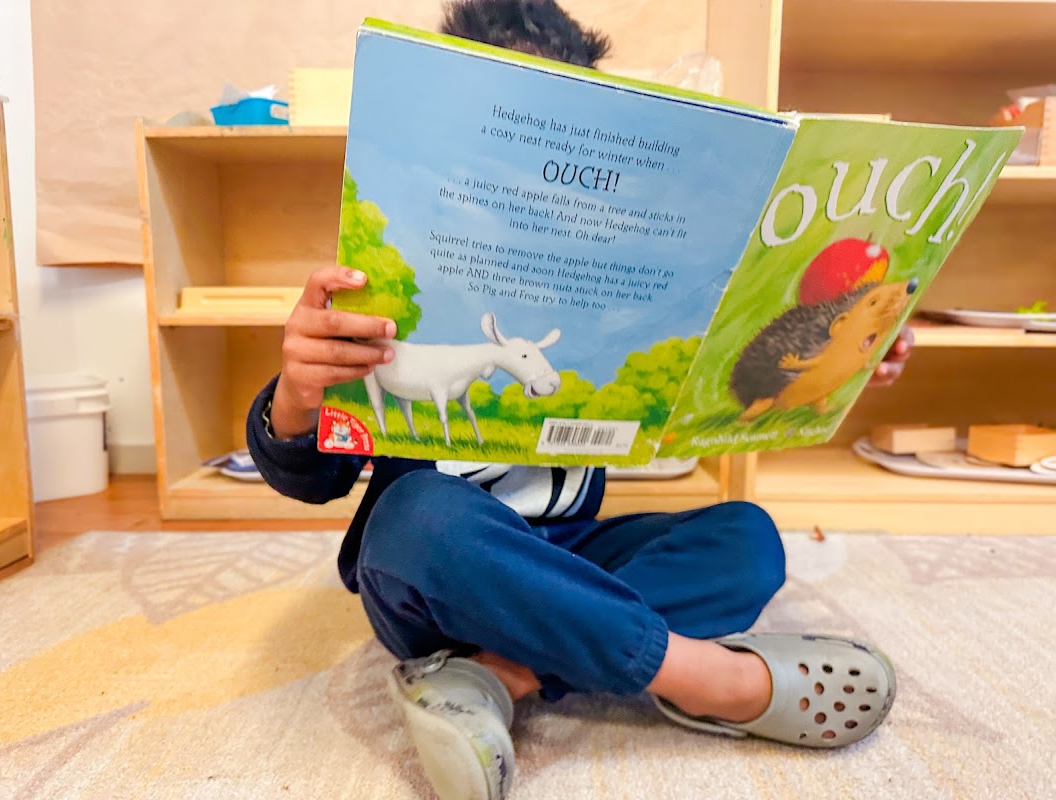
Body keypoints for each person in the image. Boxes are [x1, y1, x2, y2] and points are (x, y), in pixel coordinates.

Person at [248, 2, 911, 798]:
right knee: (416, 516)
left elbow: (725, 389)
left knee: (745, 538)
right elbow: (308, 477)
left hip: (570, 558)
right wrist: (297, 390)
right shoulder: (389, 271)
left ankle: (503, 675)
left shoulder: (619, 282)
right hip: (438, 577)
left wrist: (842, 357)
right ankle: (704, 679)